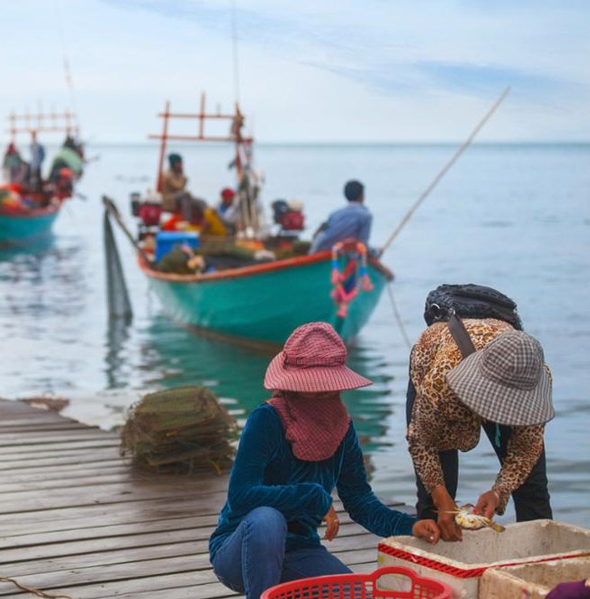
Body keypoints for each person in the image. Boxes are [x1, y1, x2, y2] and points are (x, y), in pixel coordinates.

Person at [210, 323, 440, 599]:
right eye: (314, 388)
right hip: (242, 546)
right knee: (267, 520)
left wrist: (410, 525)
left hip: (299, 550)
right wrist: (312, 496)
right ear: (292, 385)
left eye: (328, 388)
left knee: (357, 594)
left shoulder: (342, 427)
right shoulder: (266, 420)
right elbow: (241, 496)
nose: (323, 394)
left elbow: (359, 501)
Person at [406, 285, 554, 542]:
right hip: (447, 368)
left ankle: (540, 563)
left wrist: (499, 492)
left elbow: (527, 447)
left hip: (507, 367)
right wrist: (442, 498)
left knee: (532, 488)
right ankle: (432, 568)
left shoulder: (534, 375)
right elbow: (422, 442)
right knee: (435, 499)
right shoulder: (442, 380)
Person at [310, 180, 374, 254]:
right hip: (340, 253)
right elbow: (362, 244)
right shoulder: (366, 215)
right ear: (361, 196)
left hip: (321, 249)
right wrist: (375, 253)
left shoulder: (334, 214)